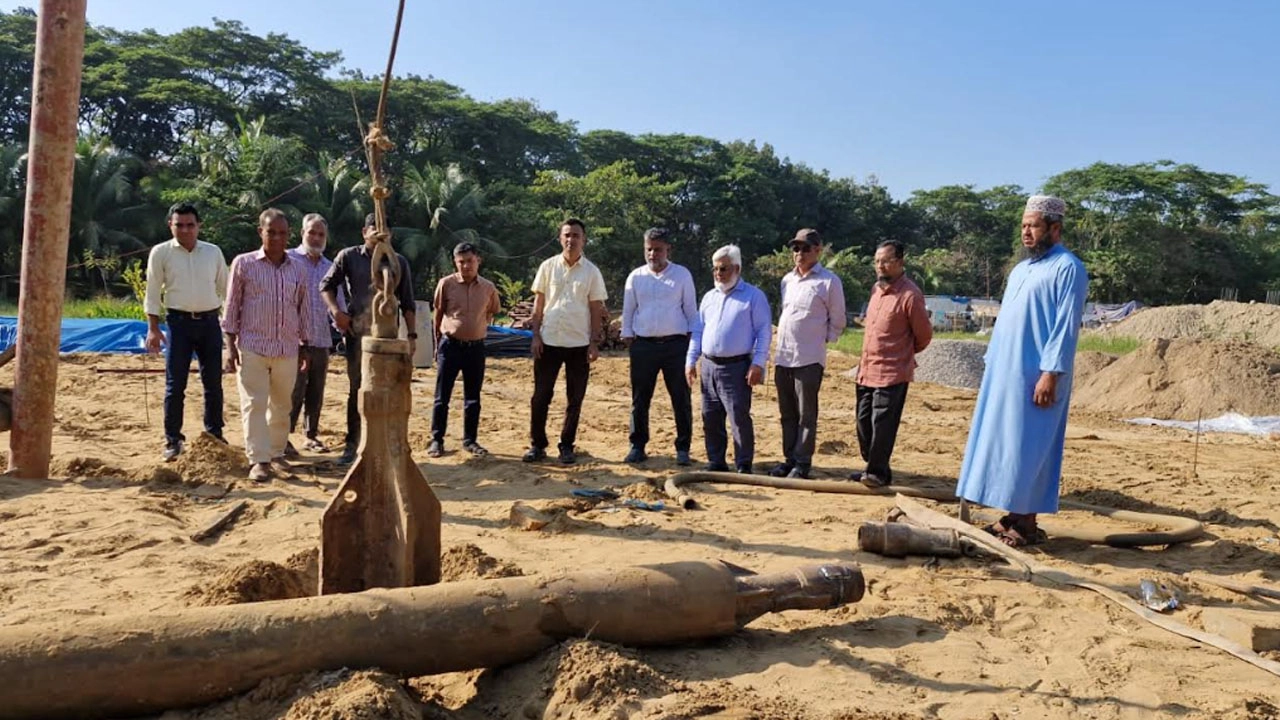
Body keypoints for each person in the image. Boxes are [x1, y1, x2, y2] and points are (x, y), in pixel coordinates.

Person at [956, 195, 1089, 547]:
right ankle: (1012, 515)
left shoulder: (1068, 267)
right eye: (1023, 227)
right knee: (1005, 444)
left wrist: (1051, 373)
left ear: (1055, 229)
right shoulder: (1021, 269)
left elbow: (1065, 326)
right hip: (1005, 372)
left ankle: (1027, 523)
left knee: (1030, 446)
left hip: (1037, 375)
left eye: (1033, 226)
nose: (1026, 233)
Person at [221, 209, 316, 482]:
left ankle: (276, 454)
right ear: (260, 231)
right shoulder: (244, 264)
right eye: (271, 231)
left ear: (289, 235)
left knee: (282, 404)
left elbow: (304, 308)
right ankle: (258, 460)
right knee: (254, 403)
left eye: (282, 233)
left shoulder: (298, 268)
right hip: (252, 346)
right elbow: (232, 306)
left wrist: (305, 345)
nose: (277, 238)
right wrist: (230, 345)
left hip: (287, 348)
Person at [320, 213, 417, 466]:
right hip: (358, 335)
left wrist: (413, 335)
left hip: (388, 339)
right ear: (364, 232)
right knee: (358, 390)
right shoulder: (349, 256)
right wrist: (337, 313)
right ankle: (353, 446)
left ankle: (388, 445)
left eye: (384, 230)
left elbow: (407, 303)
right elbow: (326, 285)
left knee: (392, 391)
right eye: (373, 229)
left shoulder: (400, 263)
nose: (378, 233)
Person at [144, 202, 229, 461]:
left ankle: (214, 434)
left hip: (210, 323)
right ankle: (173, 440)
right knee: (175, 385)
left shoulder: (213, 252)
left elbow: (226, 291)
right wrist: (153, 328)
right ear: (170, 225)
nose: (184, 230)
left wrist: (230, 330)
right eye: (179, 225)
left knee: (213, 383)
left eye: (190, 225)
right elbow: (152, 290)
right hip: (178, 324)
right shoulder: (160, 253)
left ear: (198, 226)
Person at [523, 218, 607, 465]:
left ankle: (567, 445)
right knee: (540, 396)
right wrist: (535, 336)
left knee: (575, 398)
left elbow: (595, 309)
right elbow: (538, 306)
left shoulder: (591, 272)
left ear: (584, 239)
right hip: (548, 342)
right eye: (567, 235)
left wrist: (594, 342)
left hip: (578, 344)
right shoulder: (548, 267)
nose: (571, 240)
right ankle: (537, 445)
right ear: (560, 238)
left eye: (576, 235)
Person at [852, 240, 933, 488]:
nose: (880, 266)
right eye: (877, 261)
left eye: (886, 261)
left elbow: (924, 336)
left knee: (882, 424)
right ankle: (873, 466)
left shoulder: (910, 295)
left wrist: (903, 353)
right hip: (866, 370)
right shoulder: (876, 291)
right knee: (863, 421)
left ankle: (877, 473)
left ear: (900, 262)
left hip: (892, 372)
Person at [686, 245, 771, 474]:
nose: (718, 274)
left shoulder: (753, 296)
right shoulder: (709, 297)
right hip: (709, 366)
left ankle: (743, 464)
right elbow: (698, 331)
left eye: (723, 269)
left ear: (737, 268)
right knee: (710, 417)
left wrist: (758, 363)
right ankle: (716, 462)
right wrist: (690, 360)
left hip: (737, 367)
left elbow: (764, 332)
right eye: (715, 269)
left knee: (738, 418)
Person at [770, 229, 847, 479]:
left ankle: (802, 463)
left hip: (809, 359)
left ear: (818, 250)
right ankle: (788, 458)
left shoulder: (829, 282)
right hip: (783, 357)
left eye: (805, 248)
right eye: (796, 248)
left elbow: (838, 321)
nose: (799, 253)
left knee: (806, 414)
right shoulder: (787, 281)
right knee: (787, 413)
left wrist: (820, 341)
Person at [620, 227, 698, 466]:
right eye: (649, 249)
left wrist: (693, 348)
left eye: (658, 249)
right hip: (644, 345)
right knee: (640, 399)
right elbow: (628, 311)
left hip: (676, 346)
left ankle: (683, 448)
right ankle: (637, 445)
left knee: (680, 398)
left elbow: (691, 312)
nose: (653, 254)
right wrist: (628, 337)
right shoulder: (636, 277)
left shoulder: (682, 275)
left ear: (668, 249)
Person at [428, 242, 501, 458]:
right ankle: (437, 440)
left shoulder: (488, 288)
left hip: (475, 349)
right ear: (455, 262)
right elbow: (438, 313)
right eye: (461, 262)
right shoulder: (446, 284)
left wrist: (476, 328)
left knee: (473, 398)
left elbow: (492, 311)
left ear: (478, 261)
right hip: (450, 346)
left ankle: (470, 440)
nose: (466, 266)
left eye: (469, 261)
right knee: (442, 397)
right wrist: (437, 342)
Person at [284, 214, 336, 456]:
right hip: (293, 341)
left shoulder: (330, 267)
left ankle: (311, 435)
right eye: (311, 233)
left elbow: (338, 303)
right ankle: (282, 438)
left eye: (321, 234)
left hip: (321, 339)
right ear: (302, 233)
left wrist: (344, 324)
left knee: (316, 389)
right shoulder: (289, 260)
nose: (316, 238)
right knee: (293, 390)